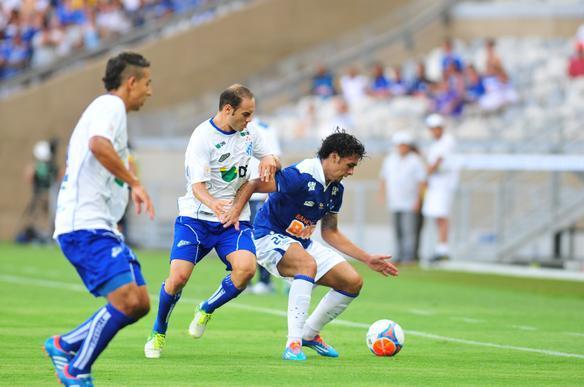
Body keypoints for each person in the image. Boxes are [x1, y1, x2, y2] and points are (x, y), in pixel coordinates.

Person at [223, 130, 399, 361]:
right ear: (334, 156)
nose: (351, 172)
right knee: (307, 265)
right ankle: (293, 344)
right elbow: (254, 185)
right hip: (267, 236)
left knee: (352, 282)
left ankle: (309, 334)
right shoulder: (301, 175)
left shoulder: (336, 189)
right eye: (349, 165)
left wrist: (367, 258)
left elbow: (330, 232)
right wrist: (235, 212)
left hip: (300, 243)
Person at [144, 84, 280, 358]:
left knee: (245, 270)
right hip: (196, 219)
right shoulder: (202, 137)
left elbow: (270, 155)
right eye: (245, 114)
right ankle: (158, 331)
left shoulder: (249, 131)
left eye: (251, 114)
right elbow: (198, 188)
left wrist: (270, 161)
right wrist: (214, 204)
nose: (249, 120)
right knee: (178, 278)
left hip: (233, 220)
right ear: (227, 109)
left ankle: (206, 309)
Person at [44, 52, 154, 387]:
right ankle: (77, 369)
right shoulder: (111, 106)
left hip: (101, 226)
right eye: (147, 83)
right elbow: (97, 145)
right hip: (85, 227)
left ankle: (65, 344)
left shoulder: (109, 111)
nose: (150, 91)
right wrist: (134, 183)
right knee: (126, 300)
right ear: (131, 82)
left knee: (139, 303)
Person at [378, 132, 426, 264]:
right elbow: (383, 178)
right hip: (394, 201)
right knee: (398, 230)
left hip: (410, 201)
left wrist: (419, 200)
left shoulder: (415, 160)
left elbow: (422, 182)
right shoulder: (390, 159)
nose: (402, 148)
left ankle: (409, 257)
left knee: (409, 231)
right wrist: (382, 194)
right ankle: (399, 255)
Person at [247, 118, 282, 295]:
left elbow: (275, 159)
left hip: (259, 193)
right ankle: (243, 279)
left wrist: (271, 192)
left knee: (260, 237)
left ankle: (264, 281)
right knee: (237, 236)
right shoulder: (228, 128)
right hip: (238, 192)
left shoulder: (265, 129)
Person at [421, 114, 458, 262]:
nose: (434, 131)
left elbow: (437, 162)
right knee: (438, 216)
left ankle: (443, 249)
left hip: (444, 183)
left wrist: (426, 174)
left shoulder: (447, 141)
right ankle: (440, 248)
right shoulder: (435, 144)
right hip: (437, 184)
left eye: (437, 128)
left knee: (442, 216)